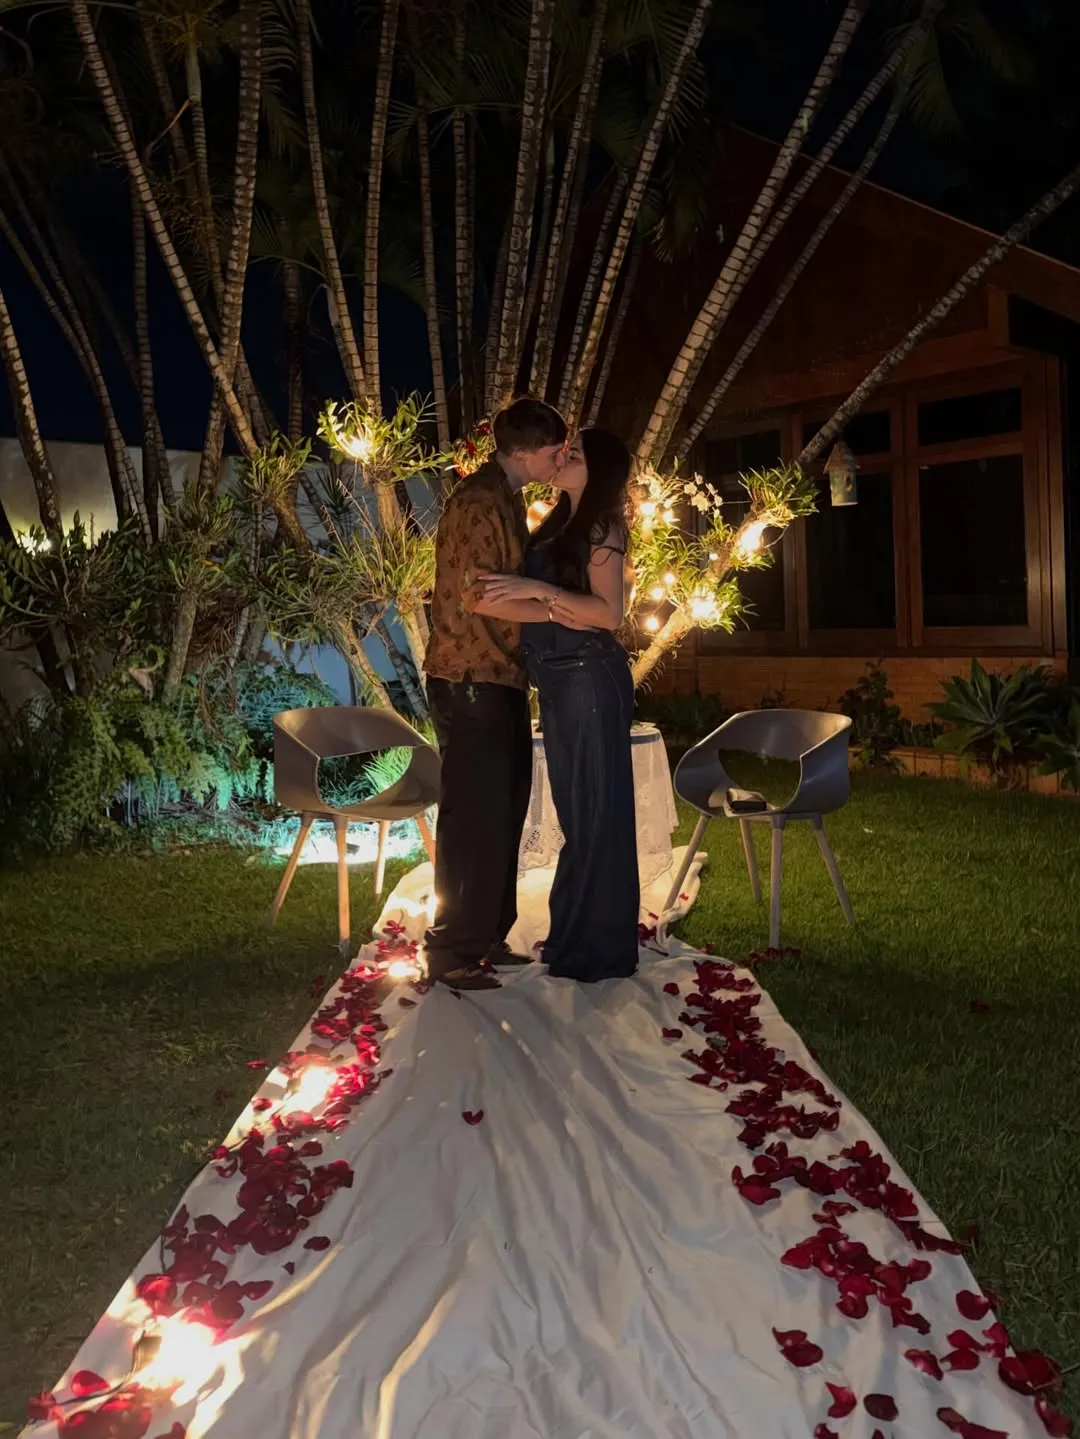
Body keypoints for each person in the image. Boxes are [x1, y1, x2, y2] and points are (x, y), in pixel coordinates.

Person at [479, 428, 640, 983]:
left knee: (596, 814)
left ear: (599, 469)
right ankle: (576, 936)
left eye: (575, 454)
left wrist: (540, 594)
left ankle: (598, 949)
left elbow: (609, 613)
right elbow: (538, 604)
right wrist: (499, 596)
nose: (564, 457)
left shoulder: (602, 525)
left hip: (590, 680)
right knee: (579, 814)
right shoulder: (556, 521)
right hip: (559, 681)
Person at [423, 396, 568, 991]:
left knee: (501, 812)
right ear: (526, 450)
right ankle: (453, 949)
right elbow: (481, 596)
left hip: (495, 675)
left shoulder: (504, 498)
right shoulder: (482, 501)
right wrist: (558, 607)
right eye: (556, 451)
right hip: (471, 677)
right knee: (477, 819)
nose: (559, 461)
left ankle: (482, 937)